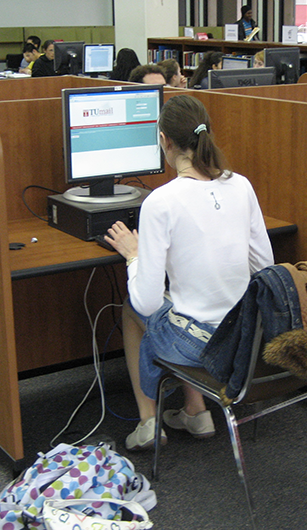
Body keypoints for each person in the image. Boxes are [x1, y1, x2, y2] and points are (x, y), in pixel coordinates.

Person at [103, 95, 274, 450]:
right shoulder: (240, 185)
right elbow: (266, 269)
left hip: (200, 345)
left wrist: (134, 256)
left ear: (163, 140)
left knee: (131, 308)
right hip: (242, 338)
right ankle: (195, 411)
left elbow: (148, 303)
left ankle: (149, 422)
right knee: (184, 300)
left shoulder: (160, 202)